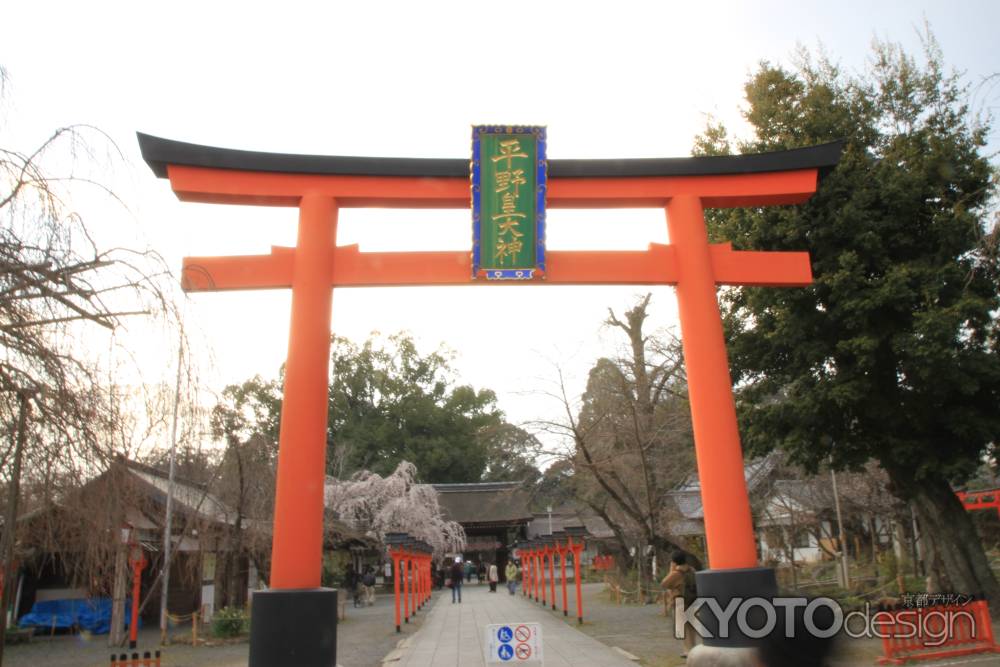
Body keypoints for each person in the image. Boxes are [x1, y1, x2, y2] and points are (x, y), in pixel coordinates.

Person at [661, 551, 699, 659]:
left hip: (680, 602)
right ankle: (694, 648)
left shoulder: (676, 573)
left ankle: (688, 650)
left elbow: (664, 584)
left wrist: (671, 570)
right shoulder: (692, 570)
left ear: (674, 562)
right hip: (692, 600)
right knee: (691, 626)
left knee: (683, 628)